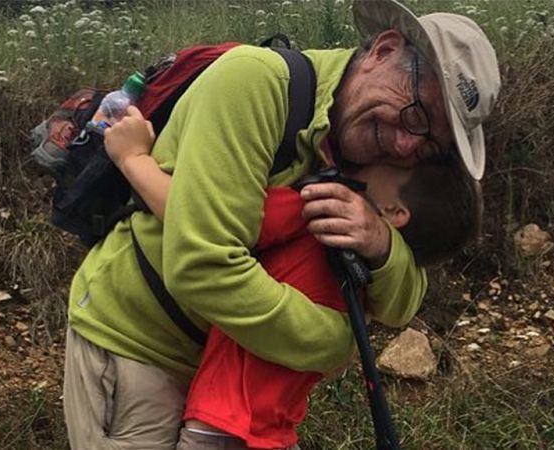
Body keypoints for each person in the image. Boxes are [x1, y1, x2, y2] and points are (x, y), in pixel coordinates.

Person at [62, 0, 500, 448]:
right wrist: (339, 343)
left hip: (224, 366)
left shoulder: (369, 157)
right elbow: (202, 265)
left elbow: (403, 303)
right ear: (384, 50)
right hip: (138, 346)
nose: (406, 144)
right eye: (416, 113)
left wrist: (381, 242)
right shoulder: (255, 85)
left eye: (428, 145)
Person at [100, 120, 481, 449]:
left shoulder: (315, 207)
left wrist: (131, 158)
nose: (390, 153)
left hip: (223, 423)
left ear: (395, 212)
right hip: (275, 430)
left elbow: (199, 220)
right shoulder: (374, 269)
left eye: (397, 164)